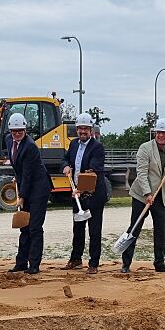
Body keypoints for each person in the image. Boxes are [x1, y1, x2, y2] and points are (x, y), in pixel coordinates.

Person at [121, 118, 165, 273]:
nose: (161, 135)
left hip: (161, 196)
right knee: (134, 228)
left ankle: (159, 264)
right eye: (159, 132)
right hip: (142, 195)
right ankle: (126, 264)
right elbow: (141, 173)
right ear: (155, 133)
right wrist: (147, 193)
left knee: (160, 231)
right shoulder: (145, 148)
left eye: (164, 133)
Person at [60, 112, 107, 275]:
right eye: (80, 128)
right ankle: (76, 259)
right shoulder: (73, 144)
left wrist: (80, 189)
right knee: (78, 228)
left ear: (91, 130)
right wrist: (65, 166)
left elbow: (93, 171)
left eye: (85, 129)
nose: (82, 132)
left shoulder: (97, 148)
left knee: (94, 230)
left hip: (93, 195)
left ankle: (93, 263)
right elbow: (65, 159)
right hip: (77, 194)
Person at [6, 112, 51, 275]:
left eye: (20, 131)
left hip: (39, 189)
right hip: (26, 182)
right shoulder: (8, 140)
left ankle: (34, 264)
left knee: (34, 227)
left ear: (25, 130)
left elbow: (29, 173)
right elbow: (19, 167)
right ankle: (21, 262)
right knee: (24, 226)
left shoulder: (30, 146)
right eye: (14, 131)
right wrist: (17, 177)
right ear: (10, 131)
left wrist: (21, 197)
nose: (17, 134)